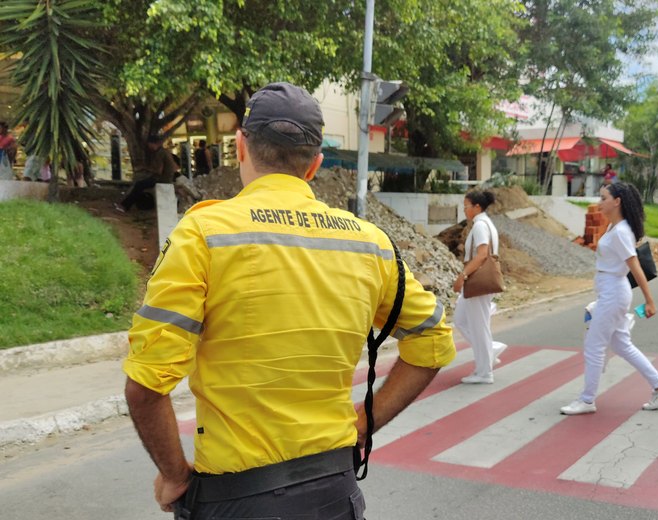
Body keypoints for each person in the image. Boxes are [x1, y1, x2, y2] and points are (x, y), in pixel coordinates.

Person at [123, 81, 456, 518]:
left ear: (241, 147)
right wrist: (364, 423)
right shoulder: (369, 244)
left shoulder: (204, 235)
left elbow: (146, 387)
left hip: (237, 501)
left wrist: (174, 476)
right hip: (335, 494)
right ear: (314, 165)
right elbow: (433, 342)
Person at [560, 181, 658, 415]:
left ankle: (587, 400)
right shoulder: (615, 228)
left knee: (594, 346)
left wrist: (650, 300)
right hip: (611, 290)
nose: (599, 202)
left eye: (603, 198)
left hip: (614, 292)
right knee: (622, 345)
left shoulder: (621, 231)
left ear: (617, 201)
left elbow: (635, 267)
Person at [453, 190, 507, 384]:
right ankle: (491, 350)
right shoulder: (483, 223)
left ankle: (484, 372)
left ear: (477, 207)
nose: (464, 209)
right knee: (461, 320)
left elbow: (483, 254)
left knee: (478, 326)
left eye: (466, 206)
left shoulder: (480, 226)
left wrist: (463, 275)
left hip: (478, 280)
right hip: (479, 281)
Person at [115, 134, 177, 212]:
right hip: (166, 177)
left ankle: (125, 206)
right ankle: (125, 204)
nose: (149, 147)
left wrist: (145, 168)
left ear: (153, 144)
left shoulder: (160, 153)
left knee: (139, 185)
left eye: (149, 145)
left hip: (162, 179)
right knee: (141, 183)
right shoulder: (165, 151)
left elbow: (158, 170)